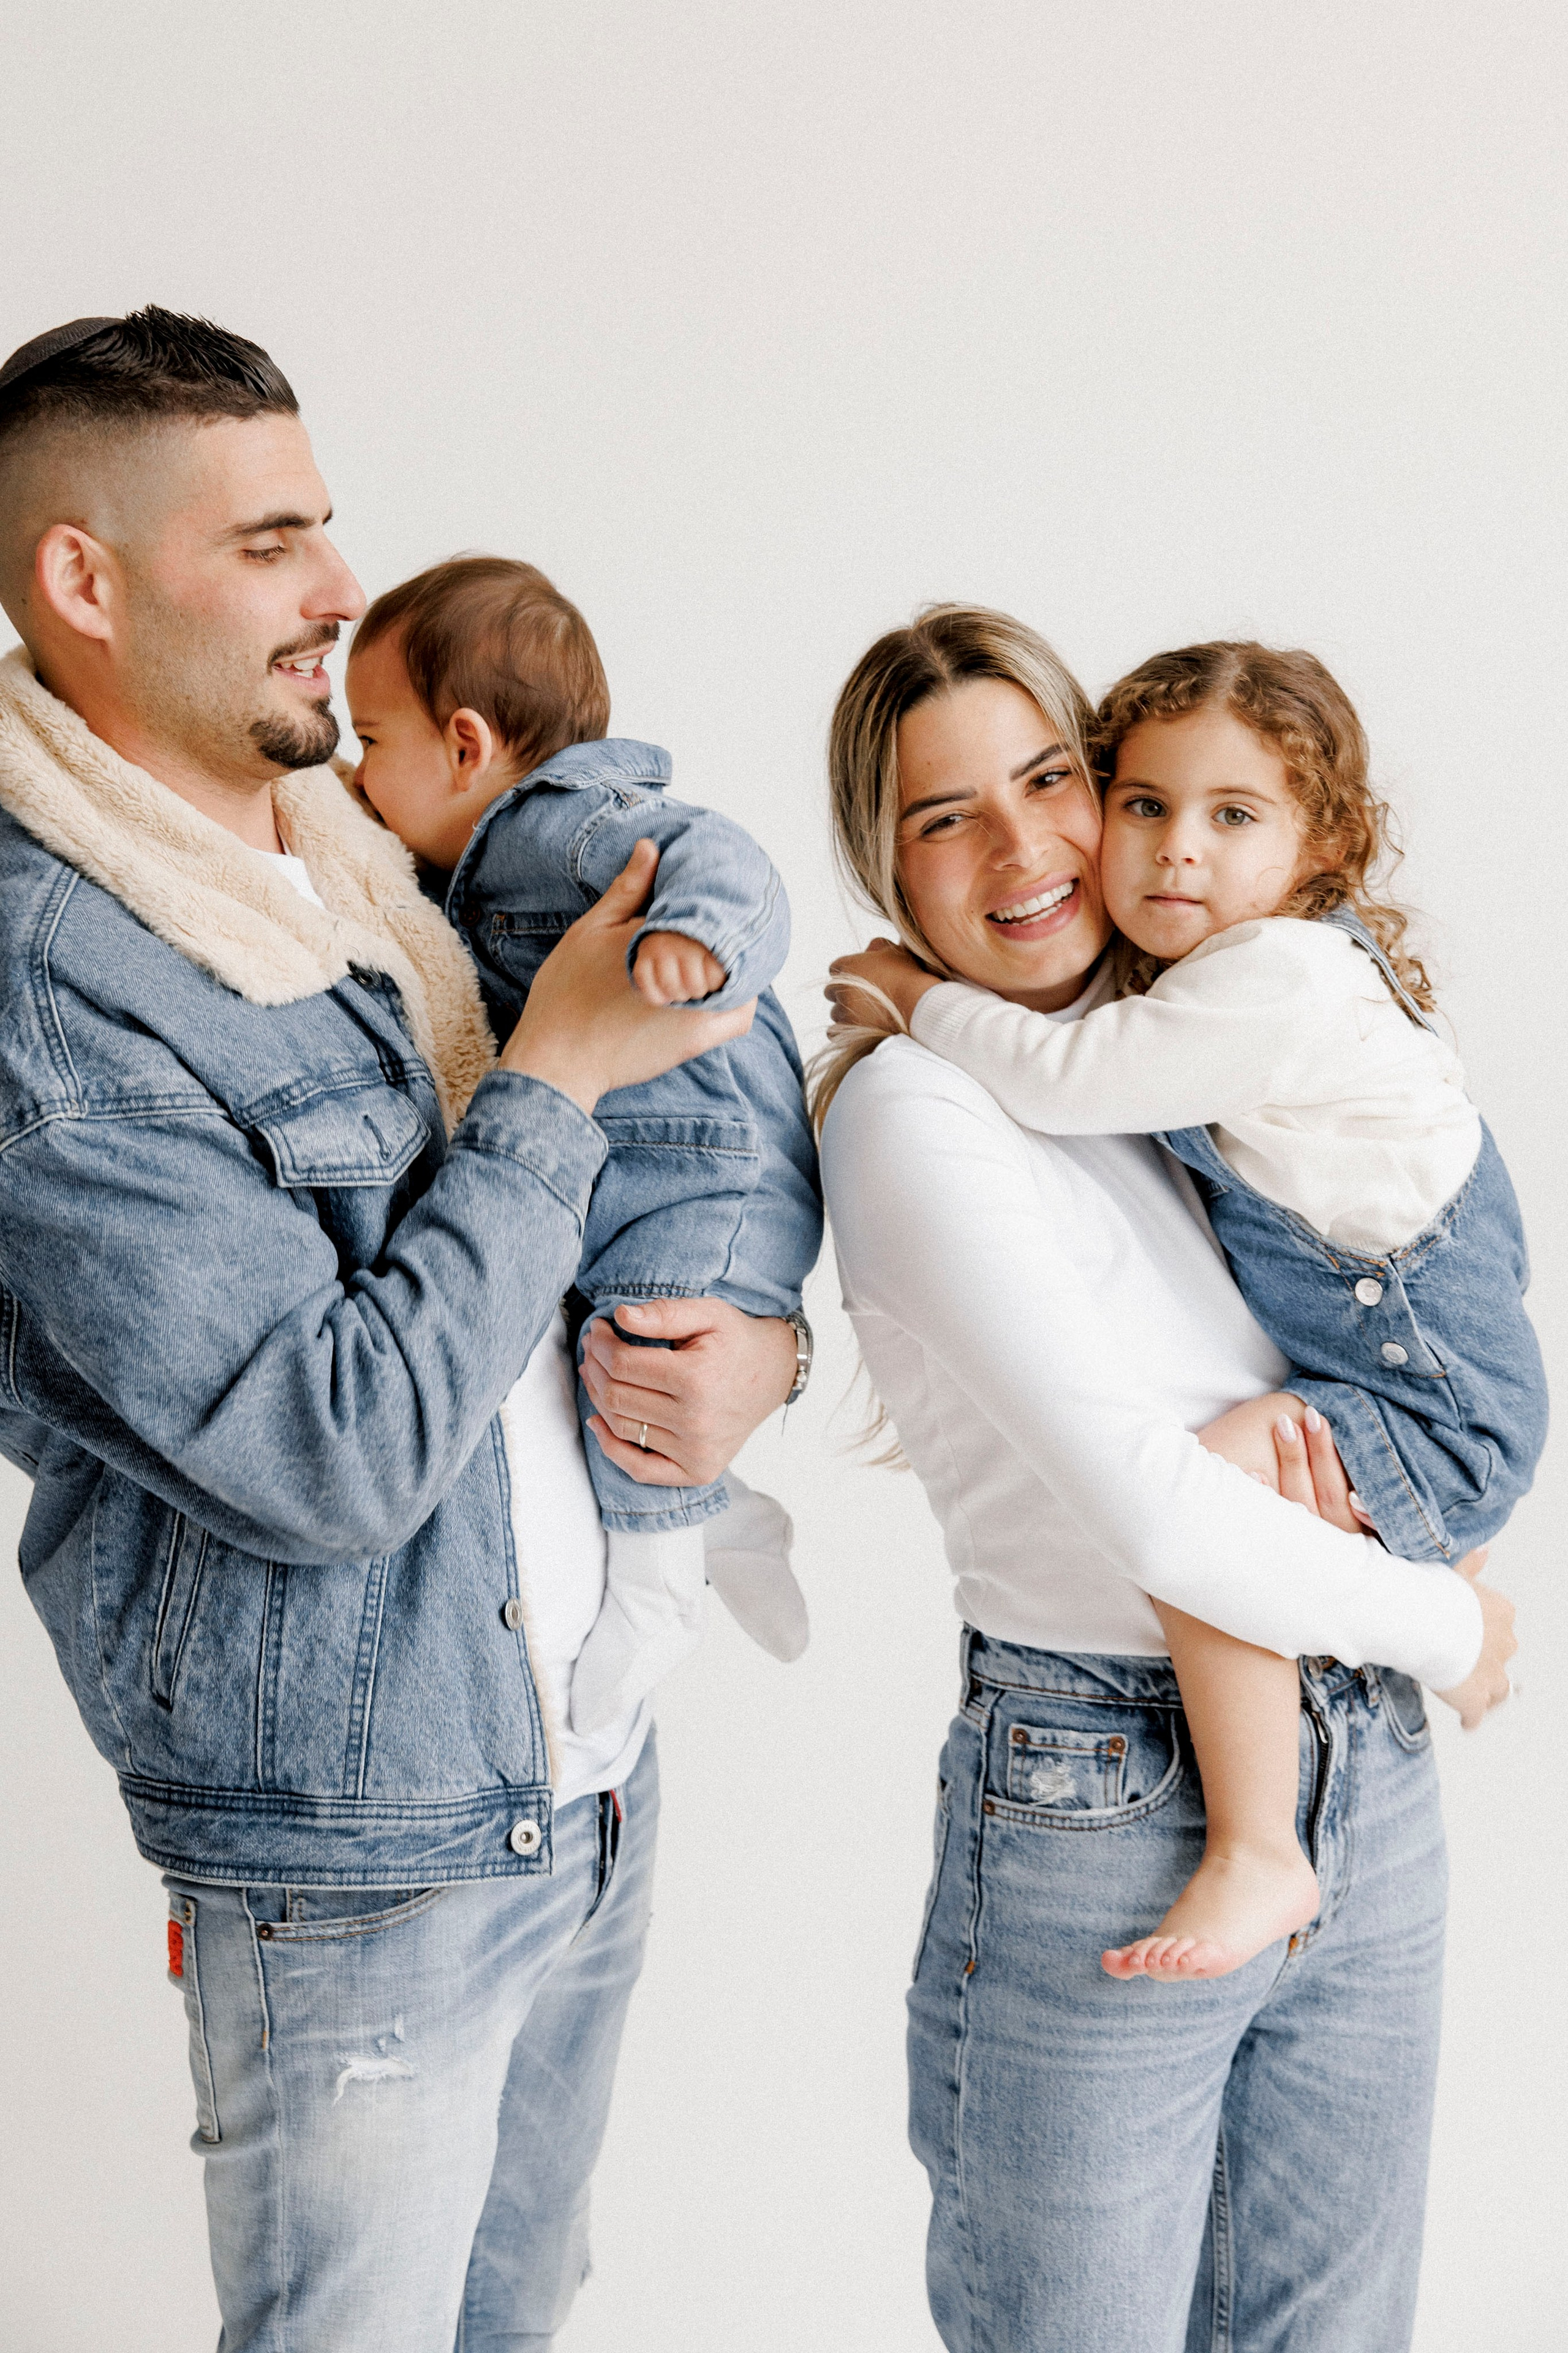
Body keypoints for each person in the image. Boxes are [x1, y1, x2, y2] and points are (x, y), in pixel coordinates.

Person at [0, 309, 806, 2352]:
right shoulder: (52, 990)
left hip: (580, 1777)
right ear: (82, 580)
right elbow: (329, 1453)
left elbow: (663, 1159)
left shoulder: (363, 856)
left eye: (325, 526)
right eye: (267, 541)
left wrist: (762, 1353)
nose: (340, 585)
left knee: (515, 2316)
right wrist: (559, 1074)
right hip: (368, 1858)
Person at [816, 605, 1518, 2352]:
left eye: (1051, 781)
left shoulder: (1182, 1049)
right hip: (1106, 1791)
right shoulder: (923, 1109)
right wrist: (1444, 1623)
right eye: (944, 818)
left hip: (1355, 1751)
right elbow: (1156, 1507)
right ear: (887, 868)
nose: (1024, 847)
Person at [344, 556, 821, 1733]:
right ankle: (724, 1514)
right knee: (614, 1361)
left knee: (635, 1361)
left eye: (371, 742)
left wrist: (698, 939)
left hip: (701, 1175)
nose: (355, 777)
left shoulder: (558, 830)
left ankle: (657, 1596)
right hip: (655, 1169)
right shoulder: (473, 867)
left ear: (466, 746)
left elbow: (731, 860)